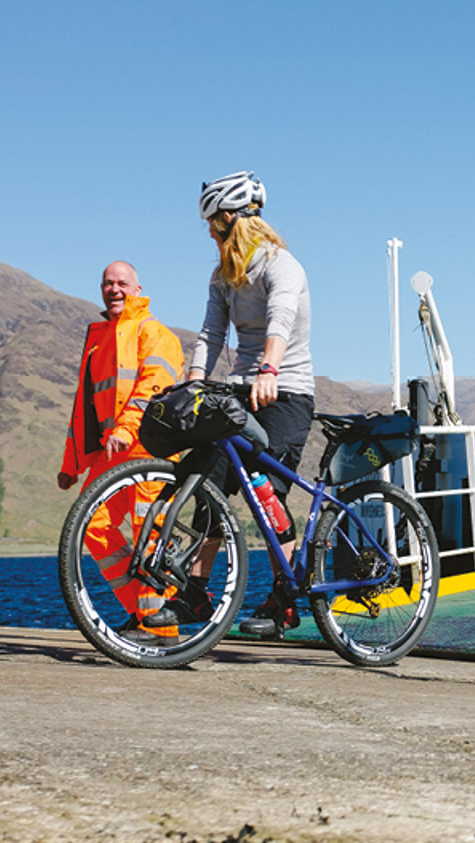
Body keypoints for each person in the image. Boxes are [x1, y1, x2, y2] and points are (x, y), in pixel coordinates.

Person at [186, 171, 317, 637]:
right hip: (240, 390)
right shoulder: (223, 276)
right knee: (209, 483)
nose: (208, 233)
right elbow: (211, 333)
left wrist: (269, 369)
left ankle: (286, 598)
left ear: (226, 219)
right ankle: (195, 594)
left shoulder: (282, 265)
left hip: (286, 392)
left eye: (211, 224)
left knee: (268, 496)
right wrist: (196, 382)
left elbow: (280, 318)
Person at [57, 261, 185, 641]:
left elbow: (153, 386)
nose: (114, 289)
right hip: (110, 456)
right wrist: (72, 464)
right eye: (107, 283)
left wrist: (128, 429)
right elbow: (85, 408)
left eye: (122, 283)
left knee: (151, 534)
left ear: (138, 288)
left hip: (150, 451)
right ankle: (141, 612)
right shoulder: (99, 340)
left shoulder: (154, 333)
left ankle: (163, 626)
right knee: (92, 526)